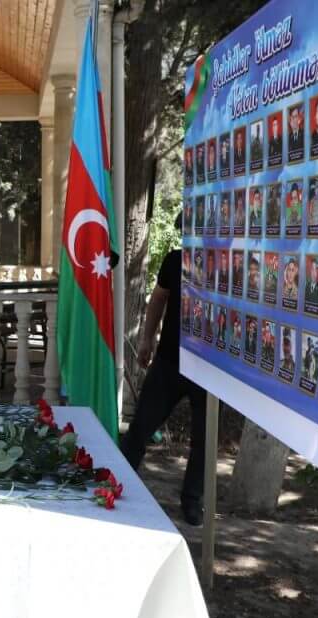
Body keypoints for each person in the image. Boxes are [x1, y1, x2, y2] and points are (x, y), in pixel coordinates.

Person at [120, 215, 206, 527]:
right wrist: (147, 339)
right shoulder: (174, 261)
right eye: (185, 233)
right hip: (170, 361)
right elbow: (158, 299)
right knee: (141, 425)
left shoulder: (226, 267)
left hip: (211, 371)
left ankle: (192, 501)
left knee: (204, 441)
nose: (188, 238)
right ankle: (118, 481)